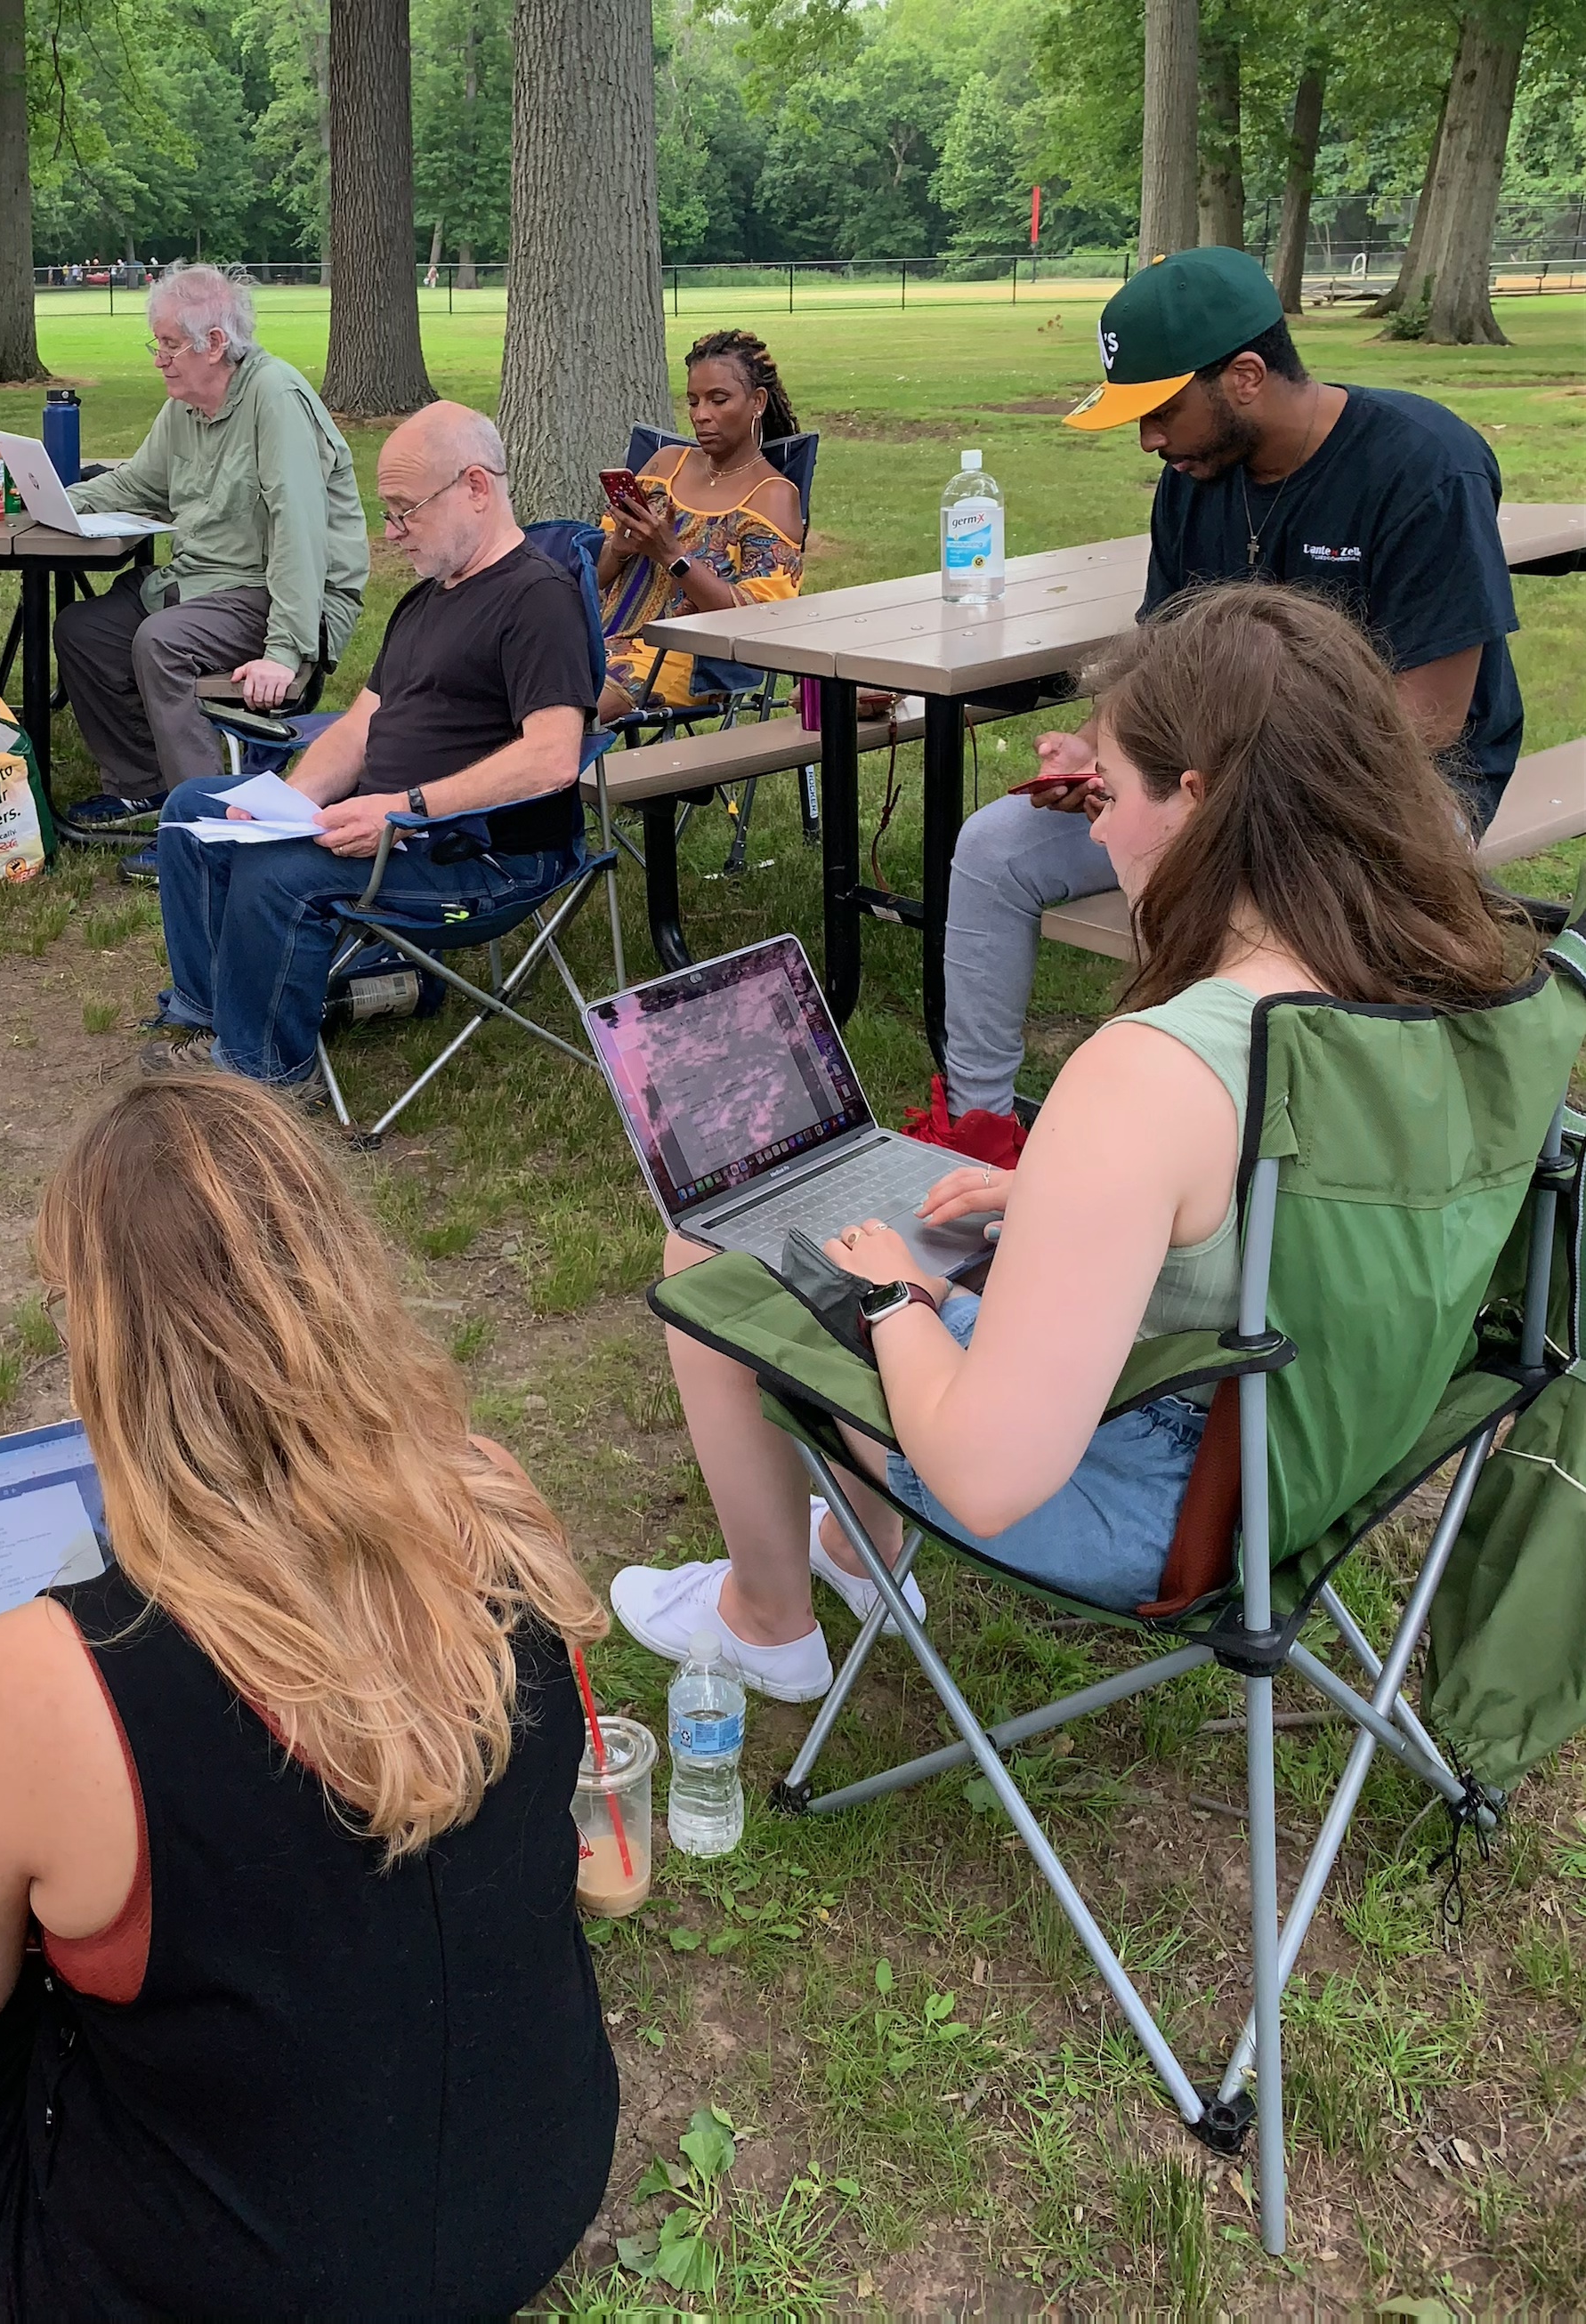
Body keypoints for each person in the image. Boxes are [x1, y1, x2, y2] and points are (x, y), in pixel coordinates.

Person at [0, 1075, 616, 2320]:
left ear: (101, 1343)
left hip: (196, 2294)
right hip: (531, 2198)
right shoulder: (488, 1499)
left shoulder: (39, 1681)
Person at [616, 585, 1532, 1697]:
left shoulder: (1158, 1070)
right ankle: (858, 1548)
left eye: (1107, 793)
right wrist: (1063, 1196)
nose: (1093, 829)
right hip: (1342, 1441)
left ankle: (766, 1620)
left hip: (1176, 1503)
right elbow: (1318, 1199)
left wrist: (903, 1296)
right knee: (927, 1240)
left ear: (1191, 800)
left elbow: (987, 1476)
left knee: (707, 1252)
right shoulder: (1467, 971)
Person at [910, 246, 1526, 1167]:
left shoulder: (1423, 468)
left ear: (1245, 376)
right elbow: (1155, 654)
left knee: (1232, 892)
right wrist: (1099, 750)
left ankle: (1222, 1156)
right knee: (994, 849)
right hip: (1204, 782)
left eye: (1161, 410)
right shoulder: (1195, 482)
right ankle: (982, 1136)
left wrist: (1200, 799)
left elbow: (1428, 722)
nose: (1150, 440)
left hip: (1389, 794)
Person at [138, 403, 587, 1096]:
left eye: (406, 511)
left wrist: (405, 808)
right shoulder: (426, 600)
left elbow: (553, 757)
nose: (391, 532)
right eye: (389, 511)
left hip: (475, 854)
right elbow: (358, 727)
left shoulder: (538, 599)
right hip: (386, 828)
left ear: (475, 488)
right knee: (192, 811)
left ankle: (264, 1078)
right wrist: (290, 801)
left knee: (280, 873)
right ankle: (213, 1011)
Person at [59, 265, 369, 826]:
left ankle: (207, 819)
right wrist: (55, 502)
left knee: (162, 642)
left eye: (171, 345)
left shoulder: (274, 398)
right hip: (202, 582)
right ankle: (143, 785)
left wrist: (285, 650)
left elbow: (300, 537)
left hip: (277, 593)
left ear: (215, 344)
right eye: (157, 343)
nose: (158, 358)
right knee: (84, 632)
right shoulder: (186, 403)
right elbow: (137, 484)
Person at [593, 328, 808, 725]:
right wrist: (620, 547)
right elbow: (596, 579)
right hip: (598, 636)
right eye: (693, 401)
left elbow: (759, 619)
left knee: (560, 712)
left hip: (679, 658)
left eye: (718, 399)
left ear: (756, 402)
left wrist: (671, 554)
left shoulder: (771, 496)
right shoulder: (664, 464)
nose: (700, 414)